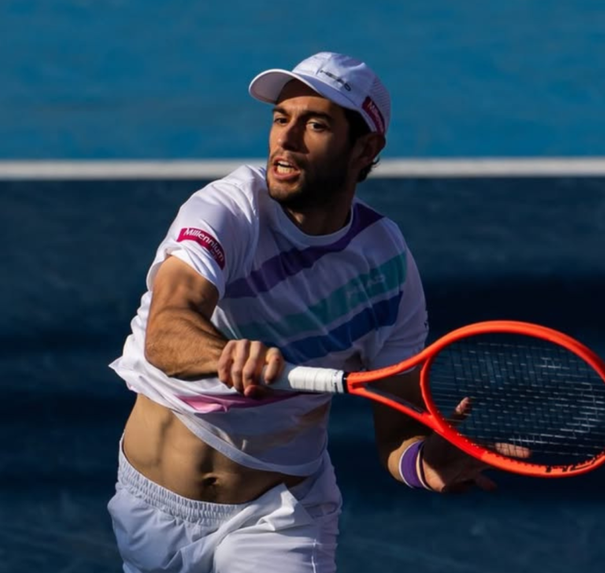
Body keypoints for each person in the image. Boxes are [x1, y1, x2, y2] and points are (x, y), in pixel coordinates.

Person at [107, 52, 497, 573]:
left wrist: (425, 464)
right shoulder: (227, 209)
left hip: (280, 514)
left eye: (315, 125)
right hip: (151, 511)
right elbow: (168, 330)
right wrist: (228, 355)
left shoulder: (387, 270)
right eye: (280, 119)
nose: (286, 141)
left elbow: (397, 431)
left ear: (366, 149)